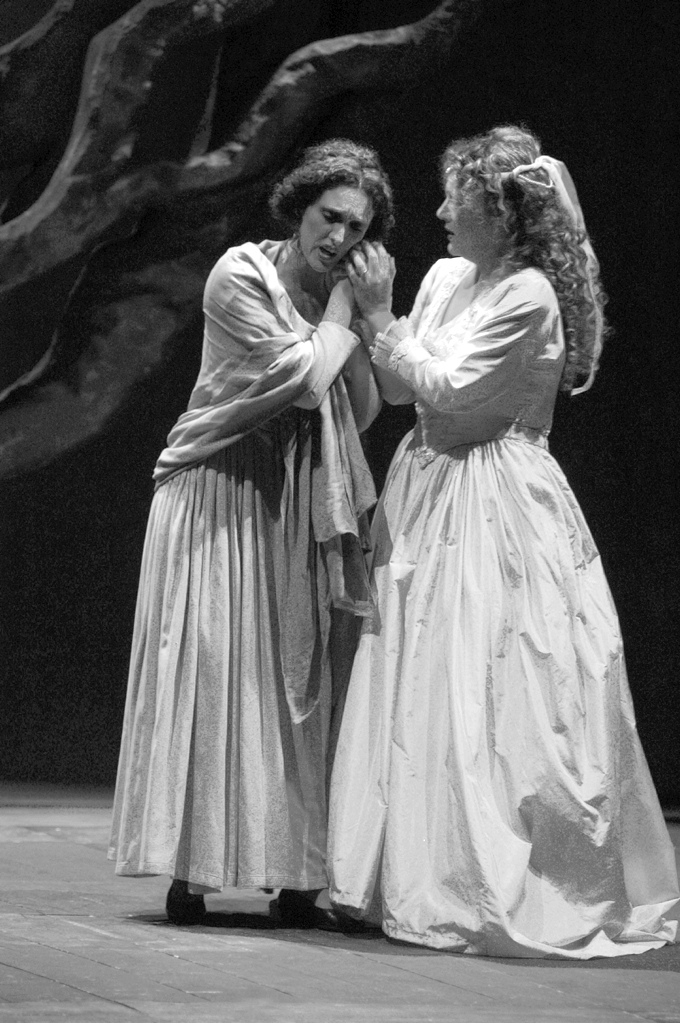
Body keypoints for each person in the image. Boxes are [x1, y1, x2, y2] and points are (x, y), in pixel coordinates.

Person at [328, 125, 679, 957]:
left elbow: (450, 389)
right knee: (415, 673)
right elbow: (402, 388)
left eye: (458, 199)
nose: (441, 213)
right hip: (428, 487)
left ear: (502, 214)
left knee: (489, 679)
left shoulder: (529, 296)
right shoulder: (447, 277)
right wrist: (387, 330)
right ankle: (394, 867)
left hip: (496, 501)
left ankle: (489, 873)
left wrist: (379, 316)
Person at [108, 139, 394, 929]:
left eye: (356, 227)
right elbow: (302, 382)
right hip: (217, 484)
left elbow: (365, 408)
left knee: (298, 682)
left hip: (297, 496)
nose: (338, 237)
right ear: (299, 207)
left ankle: (297, 875)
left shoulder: (339, 297)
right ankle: (193, 870)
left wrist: (369, 316)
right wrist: (344, 313)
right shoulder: (241, 274)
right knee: (214, 672)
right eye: (329, 216)